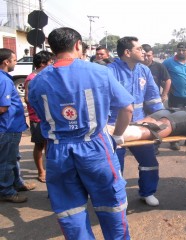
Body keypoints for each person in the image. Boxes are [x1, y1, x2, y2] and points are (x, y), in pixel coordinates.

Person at [28, 27, 134, 239]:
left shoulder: (36, 81)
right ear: (78, 45)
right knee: (111, 204)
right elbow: (127, 108)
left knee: (70, 211)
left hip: (58, 151)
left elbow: (39, 115)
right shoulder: (100, 72)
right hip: (96, 147)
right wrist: (117, 136)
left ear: (52, 48)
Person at [108, 36, 164, 207]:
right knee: (116, 166)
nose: (144, 52)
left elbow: (153, 98)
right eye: (139, 49)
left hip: (139, 124)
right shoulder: (110, 71)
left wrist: (161, 117)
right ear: (127, 52)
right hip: (114, 126)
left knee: (149, 161)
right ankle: (117, 199)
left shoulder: (144, 70)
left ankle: (147, 192)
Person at [0, 48, 29, 203]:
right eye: (15, 60)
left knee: (14, 158)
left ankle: (17, 183)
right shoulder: (4, 80)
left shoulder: (5, 78)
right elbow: (3, 107)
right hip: (7, 128)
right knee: (6, 161)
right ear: (6, 61)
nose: (15, 63)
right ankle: (6, 191)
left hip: (12, 127)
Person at [163, 42, 186, 150]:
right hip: (176, 96)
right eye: (179, 50)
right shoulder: (168, 62)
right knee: (175, 118)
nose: (181, 52)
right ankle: (174, 141)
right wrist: (168, 88)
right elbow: (162, 77)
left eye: (183, 50)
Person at [24, 50, 55, 183]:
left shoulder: (46, 76)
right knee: (39, 145)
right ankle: (41, 171)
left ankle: (50, 170)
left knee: (49, 144)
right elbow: (27, 99)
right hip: (37, 118)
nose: (52, 64)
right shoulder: (32, 78)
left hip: (48, 117)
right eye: (50, 62)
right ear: (42, 63)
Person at [142, 44, 171, 155]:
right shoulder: (136, 66)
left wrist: (164, 95)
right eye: (144, 55)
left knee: (156, 124)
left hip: (154, 103)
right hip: (140, 103)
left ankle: (155, 146)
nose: (146, 58)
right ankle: (142, 146)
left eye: (148, 55)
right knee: (141, 123)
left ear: (152, 55)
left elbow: (167, 80)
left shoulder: (159, 67)